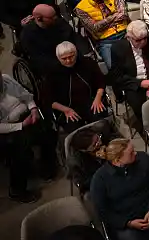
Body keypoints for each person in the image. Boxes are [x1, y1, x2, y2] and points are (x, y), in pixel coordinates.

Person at [90, 138, 149, 240]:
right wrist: (128, 223)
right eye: (131, 153)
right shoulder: (100, 179)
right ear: (117, 160)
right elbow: (102, 211)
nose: (135, 153)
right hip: (124, 220)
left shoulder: (144, 159)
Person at [0, 73, 58, 202]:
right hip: (8, 128)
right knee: (19, 153)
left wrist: (33, 109)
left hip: (26, 116)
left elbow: (25, 94)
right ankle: (17, 191)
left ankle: (46, 166)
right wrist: (20, 125)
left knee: (49, 133)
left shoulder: (6, 79)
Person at [108, 20, 149, 126]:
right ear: (128, 38)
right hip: (135, 83)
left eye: (145, 39)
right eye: (138, 40)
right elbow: (117, 76)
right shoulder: (118, 48)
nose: (143, 42)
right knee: (141, 108)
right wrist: (140, 83)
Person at [43, 41, 109, 131]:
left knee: (100, 121)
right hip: (67, 107)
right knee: (75, 129)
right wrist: (66, 110)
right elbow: (48, 100)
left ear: (76, 53)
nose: (68, 61)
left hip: (91, 101)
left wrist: (98, 98)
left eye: (71, 56)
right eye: (64, 58)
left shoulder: (87, 63)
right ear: (58, 58)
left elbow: (101, 82)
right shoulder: (52, 73)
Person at [19, 4, 90, 76]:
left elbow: (72, 37)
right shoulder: (28, 33)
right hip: (48, 62)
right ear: (39, 19)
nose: (55, 18)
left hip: (66, 53)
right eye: (51, 17)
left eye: (55, 15)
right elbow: (36, 56)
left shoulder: (59, 23)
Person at [67, 123, 120, 194]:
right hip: (98, 178)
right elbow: (82, 183)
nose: (100, 142)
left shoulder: (101, 129)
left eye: (98, 138)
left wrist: (112, 148)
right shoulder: (75, 162)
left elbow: (117, 138)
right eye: (95, 144)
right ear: (84, 150)